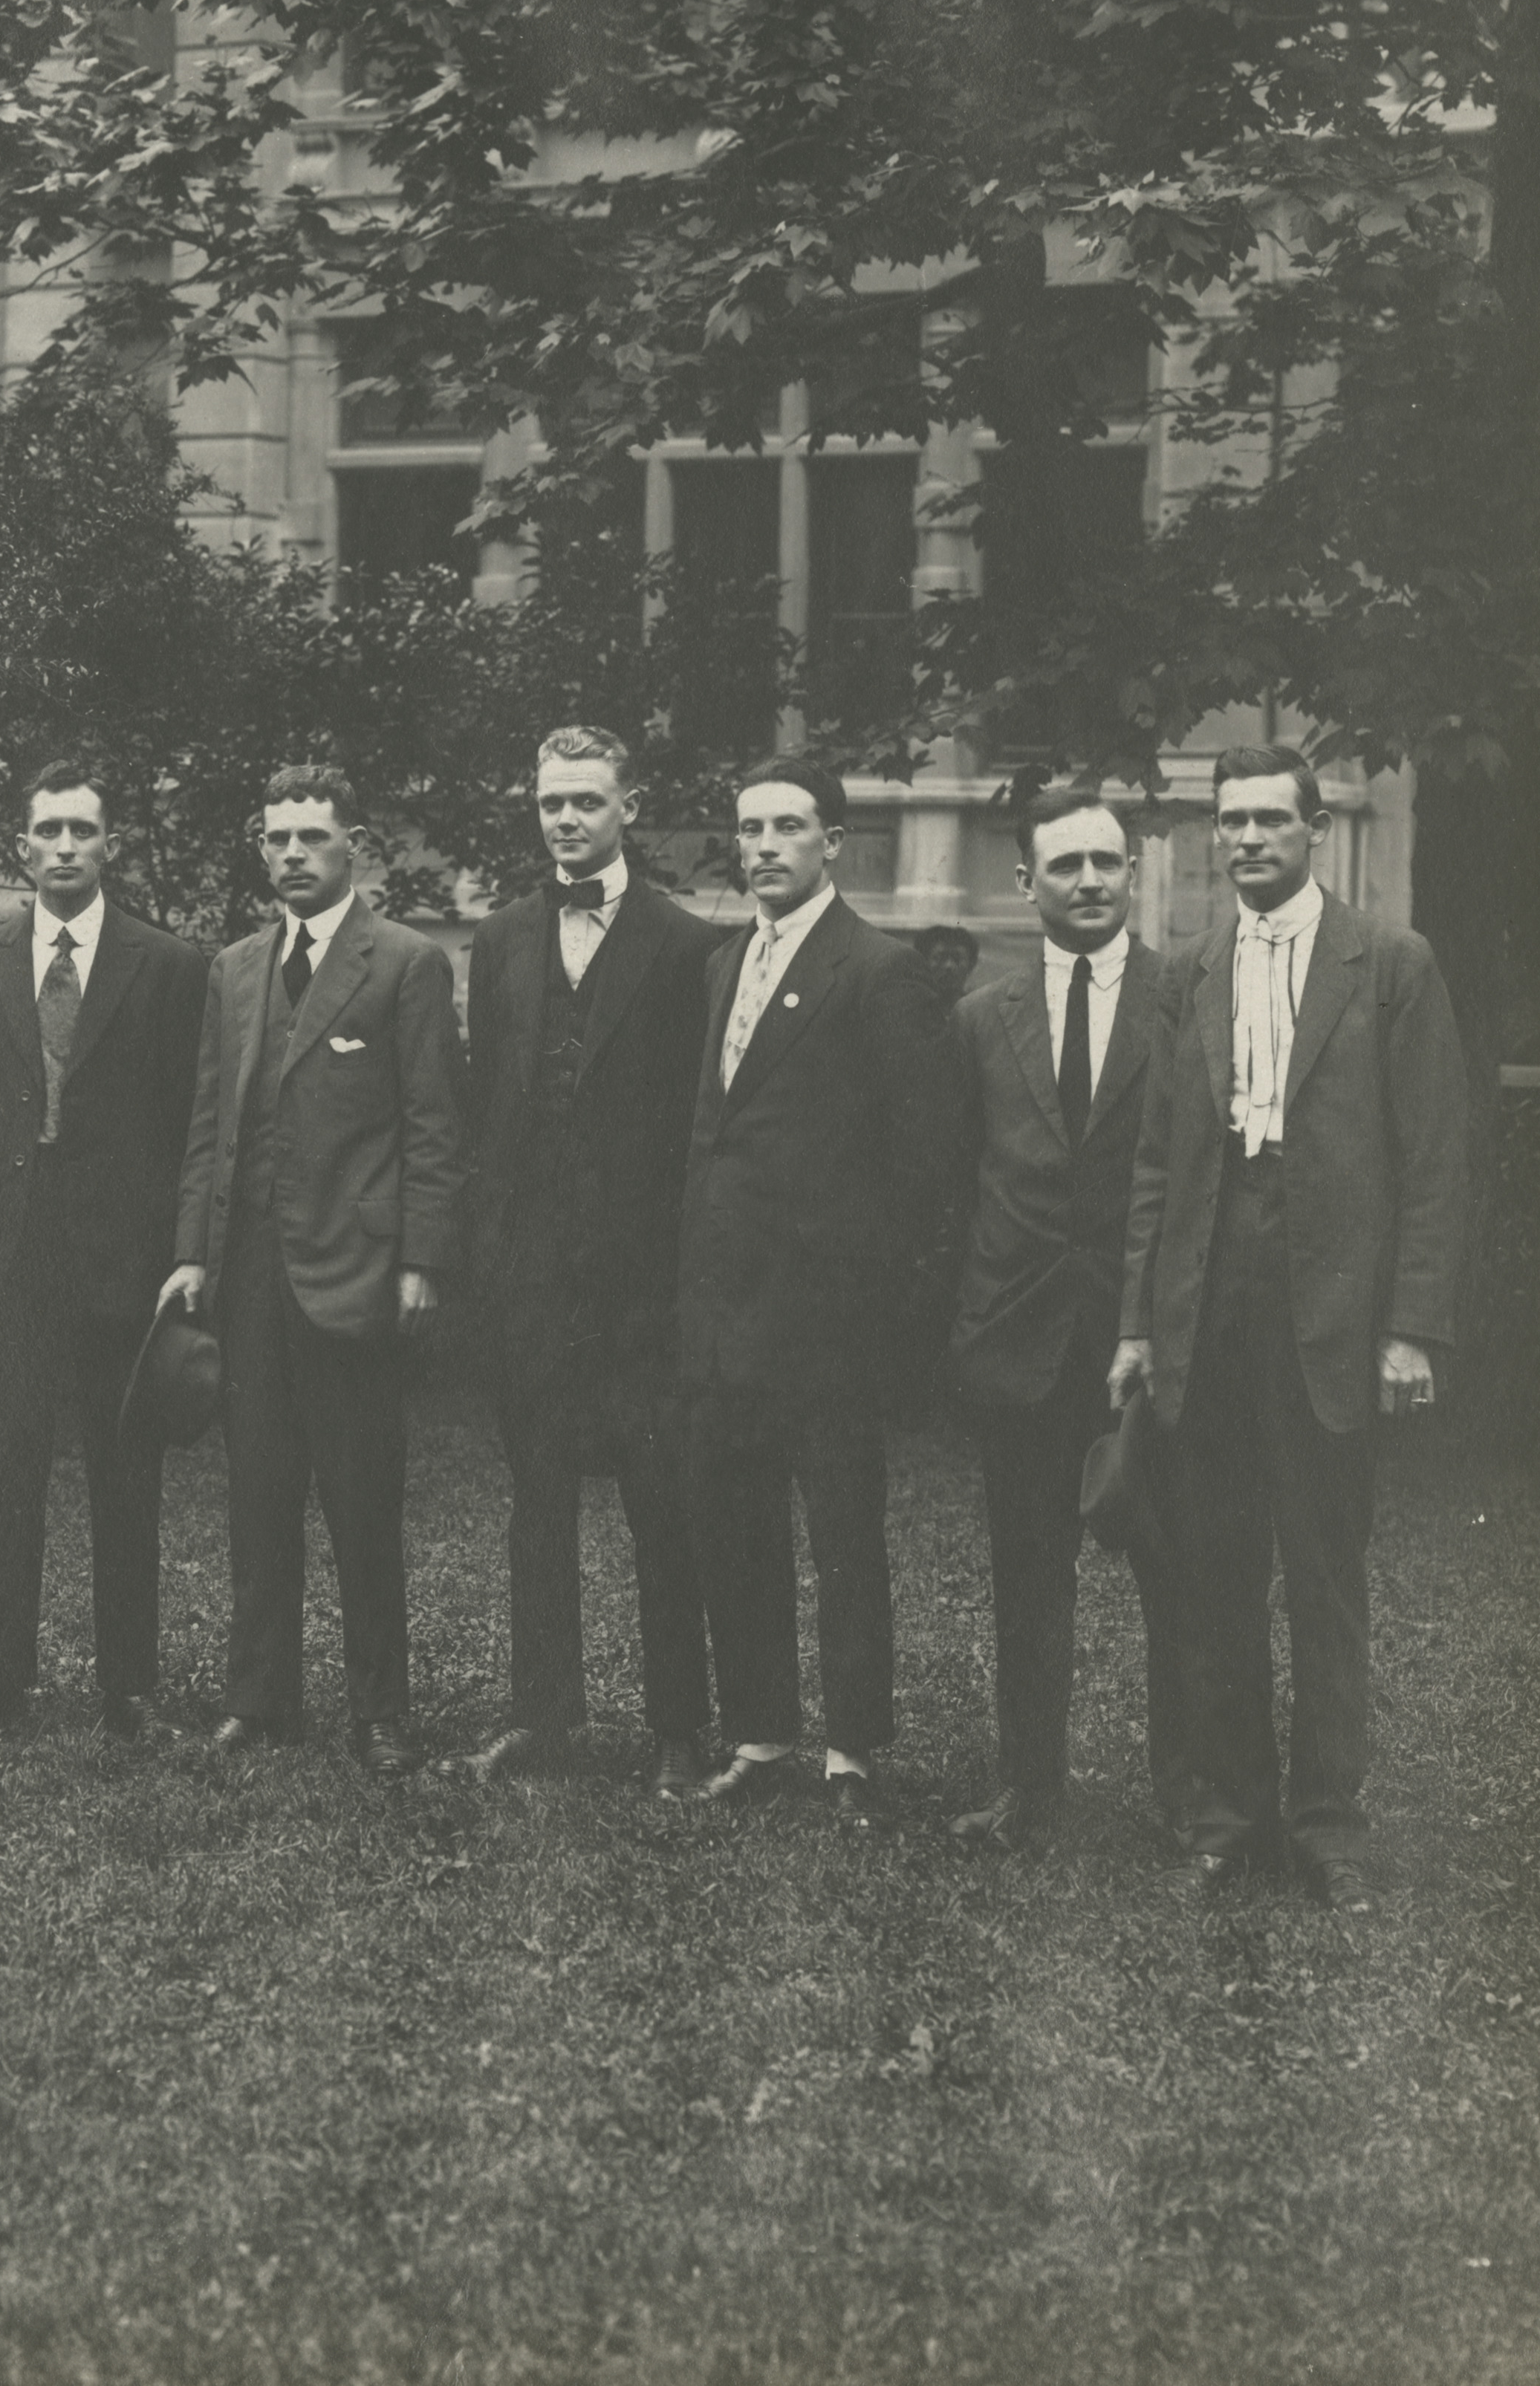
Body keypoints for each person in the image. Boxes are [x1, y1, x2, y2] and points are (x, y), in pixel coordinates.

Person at [1114, 744, 1466, 1911]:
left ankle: (1329, 1827)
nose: (1248, 838)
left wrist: (1409, 1325)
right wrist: (1138, 1324)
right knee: (1212, 1575)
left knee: (1323, 1578)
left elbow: (1430, 1161)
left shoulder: (1388, 965)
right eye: (1230, 821)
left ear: (1313, 829)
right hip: (1208, 1308)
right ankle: (1230, 1817)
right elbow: (1158, 1166)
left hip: (1329, 1310)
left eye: (1270, 818)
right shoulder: (1189, 970)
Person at [160, 764, 465, 1772]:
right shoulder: (236, 966)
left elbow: (430, 1125)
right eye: (276, 838)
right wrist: (192, 1255)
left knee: (360, 1497)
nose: (291, 854)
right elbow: (206, 1120)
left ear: (354, 845)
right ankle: (260, 1697)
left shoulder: (405, 963)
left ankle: (379, 1709)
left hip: (355, 1270)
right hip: (248, 1274)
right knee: (257, 1493)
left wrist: (420, 1260)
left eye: (311, 837)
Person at [678, 754, 950, 1829]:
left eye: (788, 827)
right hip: (719, 1309)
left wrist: (867, 1302)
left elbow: (923, 1162)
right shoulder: (718, 963)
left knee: (843, 1537)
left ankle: (851, 1751)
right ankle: (757, 1732)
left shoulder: (878, 971)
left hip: (826, 1320)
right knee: (732, 1523)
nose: (763, 847)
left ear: (831, 842)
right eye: (749, 828)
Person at [452, 727, 721, 1793]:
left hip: (639, 1289)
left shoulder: (687, 942)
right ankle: (543, 1718)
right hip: (530, 1282)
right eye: (550, 801)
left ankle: (674, 1728)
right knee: (537, 1507)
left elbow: (694, 1124)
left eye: (586, 801)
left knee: (663, 1505)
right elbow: (490, 1113)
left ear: (627, 808)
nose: (566, 819)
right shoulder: (503, 938)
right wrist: (490, 1253)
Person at [0, 761, 208, 1740]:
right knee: (9, 1468)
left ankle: (127, 1687)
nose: (60, 848)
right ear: (23, 841)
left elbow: (183, 1120)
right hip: (11, 1252)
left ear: (110, 843)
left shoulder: (166, 966)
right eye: (44, 830)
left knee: (123, 1473)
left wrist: (174, 1249)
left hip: (118, 1257)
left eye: (80, 831)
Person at [941, 787, 1181, 1850]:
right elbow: (953, 1183)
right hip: (1021, 1335)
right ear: (1022, 881)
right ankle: (1027, 1786)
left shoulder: (1184, 999)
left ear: (1131, 872)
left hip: (1146, 1338)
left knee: (1177, 1566)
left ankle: (1187, 1792)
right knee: (1025, 1573)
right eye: (1064, 863)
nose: (1087, 879)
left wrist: (1160, 1317)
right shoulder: (980, 1015)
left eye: (1104, 861)